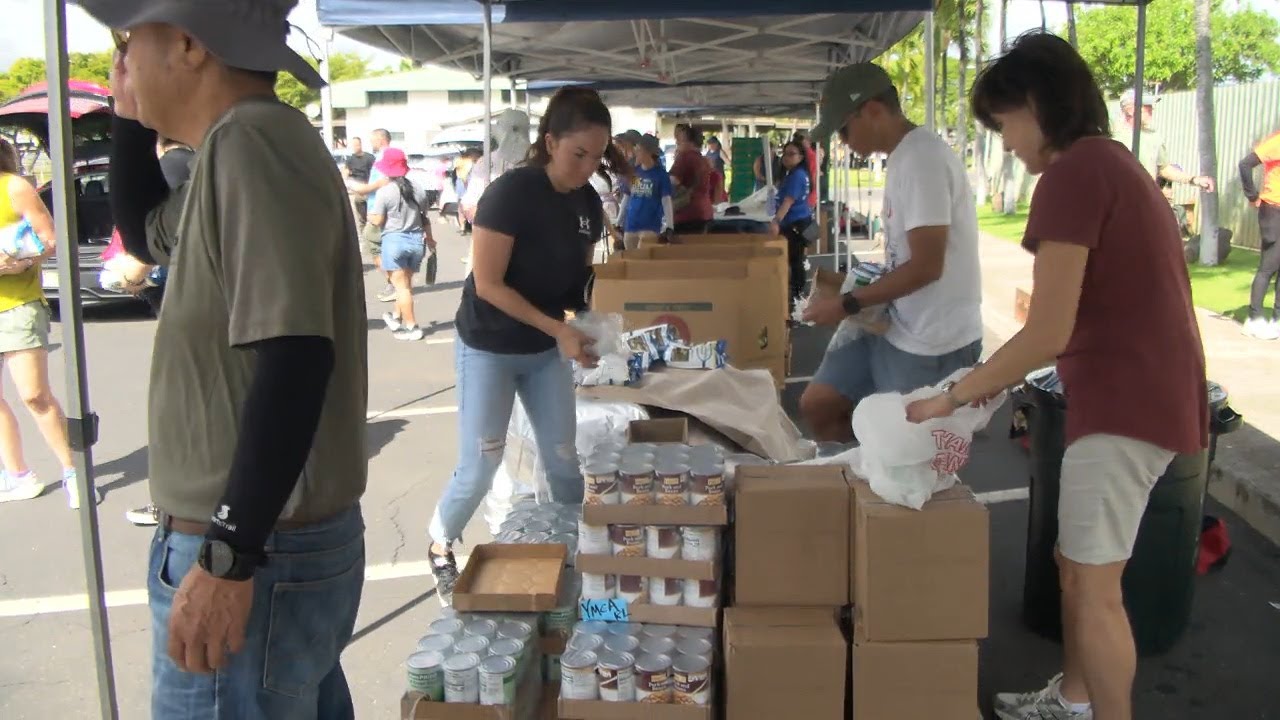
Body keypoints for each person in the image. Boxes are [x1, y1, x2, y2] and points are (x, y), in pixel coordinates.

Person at [908, 33, 1207, 720]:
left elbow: (1048, 331)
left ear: (1038, 103)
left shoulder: (1073, 175)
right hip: (1142, 396)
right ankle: (1073, 699)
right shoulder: (1111, 163)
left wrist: (952, 397)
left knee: (1093, 590)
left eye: (1005, 122)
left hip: (1124, 404)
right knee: (1077, 572)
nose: (1007, 141)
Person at [90, 1, 369, 717]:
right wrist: (128, 116)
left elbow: (295, 354)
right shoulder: (234, 146)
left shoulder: (252, 142)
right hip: (266, 545)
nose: (122, 61)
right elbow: (146, 234)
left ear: (188, 44)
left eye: (131, 41)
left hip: (257, 547)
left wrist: (229, 554)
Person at [428, 87, 626, 602]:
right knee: (482, 462)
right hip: (489, 346)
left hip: (543, 352)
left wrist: (588, 326)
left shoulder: (586, 203)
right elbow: (488, 284)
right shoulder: (511, 194)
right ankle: (441, 544)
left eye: (597, 157)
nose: (587, 167)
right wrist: (559, 330)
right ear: (550, 142)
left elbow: (576, 287)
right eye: (578, 153)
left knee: (563, 458)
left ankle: (581, 551)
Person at [800, 62, 983, 442]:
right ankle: (873, 458)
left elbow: (927, 266)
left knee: (910, 451)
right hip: (894, 324)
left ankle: (881, 461)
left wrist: (848, 303)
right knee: (819, 404)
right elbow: (908, 256)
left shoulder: (922, 160)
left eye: (843, 129)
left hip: (932, 341)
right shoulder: (904, 157)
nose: (843, 141)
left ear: (872, 111)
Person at [0, 139, 97, 509]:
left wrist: (20, 263)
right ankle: (18, 475)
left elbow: (50, 239)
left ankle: (74, 472)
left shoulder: (13, 187)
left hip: (18, 305)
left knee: (34, 395)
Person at [124, 136, 194, 527]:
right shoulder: (203, 162)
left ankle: (173, 503)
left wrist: (134, 273)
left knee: (181, 407)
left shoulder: (174, 166)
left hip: (188, 301)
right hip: (206, 299)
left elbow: (153, 240)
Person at [370, 147, 434, 341]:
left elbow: (378, 220)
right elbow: (424, 216)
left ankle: (412, 326)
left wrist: (370, 216)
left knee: (401, 288)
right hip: (416, 241)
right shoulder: (418, 189)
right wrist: (430, 239)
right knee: (406, 284)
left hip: (394, 242)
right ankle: (396, 317)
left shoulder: (385, 192)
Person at [1238, 128, 1280, 340]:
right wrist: (1252, 195)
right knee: (1269, 265)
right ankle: (1254, 319)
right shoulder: (1277, 142)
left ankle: (1277, 320)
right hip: (1273, 209)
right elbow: (1245, 164)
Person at [347, 128, 396, 301]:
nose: (371, 143)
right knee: (384, 246)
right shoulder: (391, 155)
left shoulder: (383, 158)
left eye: (373, 140)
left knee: (374, 247)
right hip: (385, 207)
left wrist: (361, 188)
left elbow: (382, 182)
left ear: (381, 139)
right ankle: (396, 283)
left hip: (379, 209)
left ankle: (394, 283)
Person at [772, 140, 815, 306]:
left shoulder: (797, 175)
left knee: (795, 261)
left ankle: (796, 297)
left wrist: (776, 221)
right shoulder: (795, 174)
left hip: (795, 224)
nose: (786, 157)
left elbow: (788, 202)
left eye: (791, 154)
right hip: (798, 222)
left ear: (801, 157)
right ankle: (796, 295)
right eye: (784, 153)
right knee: (796, 260)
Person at [620, 134, 674, 250]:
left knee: (642, 255)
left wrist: (670, 225)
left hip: (650, 225)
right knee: (631, 257)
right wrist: (619, 221)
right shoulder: (635, 172)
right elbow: (628, 196)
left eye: (639, 150)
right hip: (631, 224)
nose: (636, 152)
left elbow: (666, 200)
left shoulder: (660, 175)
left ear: (648, 152)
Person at [670, 124, 713, 234]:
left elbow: (673, 180)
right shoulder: (703, 160)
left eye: (679, 140)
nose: (677, 143)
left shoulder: (684, 157)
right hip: (704, 212)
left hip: (686, 213)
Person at [343, 136, 374, 237]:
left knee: (373, 215)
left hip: (370, 189)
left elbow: (375, 172)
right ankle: (363, 237)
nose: (355, 147)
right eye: (353, 145)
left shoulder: (369, 158)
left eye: (356, 145)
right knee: (361, 218)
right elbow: (346, 172)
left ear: (360, 145)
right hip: (358, 191)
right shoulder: (350, 160)